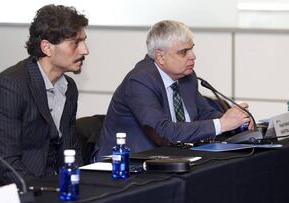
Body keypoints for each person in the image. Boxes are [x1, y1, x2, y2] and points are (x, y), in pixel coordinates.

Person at [0, 4, 89, 193]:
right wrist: (47, 191)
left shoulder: (69, 88)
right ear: (47, 47)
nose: (85, 50)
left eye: (84, 41)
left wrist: (82, 185)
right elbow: (6, 164)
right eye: (75, 43)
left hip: (48, 190)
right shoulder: (8, 87)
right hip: (6, 194)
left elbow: (70, 150)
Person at [95, 20, 253, 160]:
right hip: (124, 165)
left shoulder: (187, 76)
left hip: (170, 158)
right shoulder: (140, 81)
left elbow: (205, 113)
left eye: (191, 49)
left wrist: (237, 121)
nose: (193, 56)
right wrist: (222, 124)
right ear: (160, 56)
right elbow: (164, 132)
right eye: (183, 52)